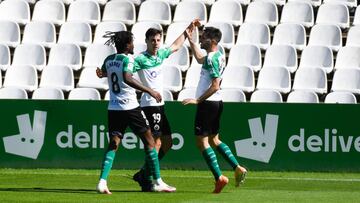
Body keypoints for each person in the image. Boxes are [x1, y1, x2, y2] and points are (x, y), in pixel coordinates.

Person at [96, 31, 176, 194]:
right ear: (127, 45)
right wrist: (150, 91)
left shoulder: (109, 60)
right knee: (150, 142)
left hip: (113, 108)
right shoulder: (128, 59)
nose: (134, 45)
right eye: (132, 42)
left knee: (114, 144)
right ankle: (158, 181)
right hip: (130, 107)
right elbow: (127, 77)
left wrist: (101, 74)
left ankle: (102, 182)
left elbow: (105, 73)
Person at [132, 20, 199, 191]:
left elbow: (176, 46)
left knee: (168, 142)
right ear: (146, 41)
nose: (156, 43)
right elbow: (126, 74)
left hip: (160, 105)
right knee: (156, 144)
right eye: (152, 40)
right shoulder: (140, 59)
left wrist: (188, 29)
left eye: (158, 40)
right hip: (149, 105)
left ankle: (143, 174)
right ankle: (154, 180)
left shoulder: (160, 55)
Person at [182, 26, 247, 193]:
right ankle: (237, 167)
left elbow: (215, 85)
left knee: (201, 142)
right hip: (217, 103)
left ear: (212, 41)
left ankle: (219, 177)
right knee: (214, 140)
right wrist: (191, 41)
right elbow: (198, 58)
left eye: (203, 37)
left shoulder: (211, 59)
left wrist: (197, 100)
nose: (201, 39)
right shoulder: (218, 54)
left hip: (208, 104)